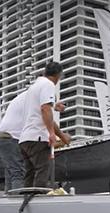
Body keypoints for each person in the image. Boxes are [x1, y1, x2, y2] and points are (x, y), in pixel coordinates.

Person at [18, 61, 72, 189]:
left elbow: (41, 110)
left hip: (25, 139)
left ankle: (26, 203)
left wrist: (53, 106)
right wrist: (52, 134)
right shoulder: (48, 85)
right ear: (59, 75)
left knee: (30, 175)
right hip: (38, 138)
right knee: (42, 172)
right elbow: (44, 109)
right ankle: (39, 202)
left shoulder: (33, 87)